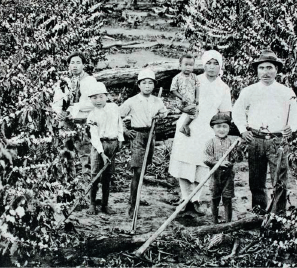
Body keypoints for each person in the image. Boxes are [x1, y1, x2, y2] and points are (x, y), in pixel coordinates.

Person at [233, 49, 297, 215]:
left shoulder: (286, 92)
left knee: (279, 179)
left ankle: (279, 215)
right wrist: (243, 130)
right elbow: (237, 112)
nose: (265, 72)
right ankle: (259, 212)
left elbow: (296, 114)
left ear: (276, 70)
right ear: (257, 70)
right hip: (255, 139)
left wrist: (290, 127)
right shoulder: (248, 91)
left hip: (277, 141)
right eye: (262, 68)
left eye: (269, 67)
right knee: (256, 180)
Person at [168, 50, 232, 215]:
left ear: (220, 66)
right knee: (184, 160)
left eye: (215, 63)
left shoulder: (224, 88)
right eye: (208, 63)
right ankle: (184, 197)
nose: (211, 67)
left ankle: (195, 199)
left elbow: (225, 113)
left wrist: (221, 131)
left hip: (209, 128)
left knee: (203, 163)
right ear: (203, 64)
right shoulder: (194, 80)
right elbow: (180, 99)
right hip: (189, 124)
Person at [120, 69, 169, 218]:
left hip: (151, 135)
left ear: (154, 85)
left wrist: (161, 115)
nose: (147, 86)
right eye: (144, 83)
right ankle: (133, 205)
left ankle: (134, 199)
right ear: (139, 85)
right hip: (137, 136)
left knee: (144, 169)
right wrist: (125, 131)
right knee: (138, 172)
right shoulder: (132, 101)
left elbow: (164, 112)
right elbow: (117, 116)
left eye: (150, 83)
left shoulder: (157, 100)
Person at [52, 52, 98, 174]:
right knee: (66, 154)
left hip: (83, 122)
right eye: (72, 63)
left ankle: (87, 185)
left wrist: (72, 109)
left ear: (83, 65)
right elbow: (57, 101)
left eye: (78, 63)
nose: (75, 66)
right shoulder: (64, 82)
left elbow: (92, 103)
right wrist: (60, 112)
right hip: (67, 123)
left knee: (85, 156)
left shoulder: (90, 81)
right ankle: (68, 184)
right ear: (68, 65)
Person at [86, 82, 124, 215]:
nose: (98, 100)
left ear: (106, 96)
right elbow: (94, 136)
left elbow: (119, 123)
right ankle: (92, 204)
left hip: (112, 143)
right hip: (98, 147)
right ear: (90, 99)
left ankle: (104, 204)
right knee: (95, 176)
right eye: (94, 98)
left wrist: (120, 140)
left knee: (107, 176)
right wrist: (101, 153)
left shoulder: (113, 108)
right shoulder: (91, 115)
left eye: (101, 97)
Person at [203, 113, 241, 224]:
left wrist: (238, 149)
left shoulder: (232, 143)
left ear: (229, 128)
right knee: (214, 198)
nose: (222, 130)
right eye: (218, 127)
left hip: (228, 176)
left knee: (227, 198)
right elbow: (206, 158)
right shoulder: (210, 143)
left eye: (225, 126)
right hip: (215, 175)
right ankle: (214, 221)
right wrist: (218, 163)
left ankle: (228, 222)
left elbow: (238, 159)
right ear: (213, 128)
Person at [170, 53, 200, 137]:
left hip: (191, 101)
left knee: (196, 110)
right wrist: (181, 97)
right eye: (186, 65)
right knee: (194, 111)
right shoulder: (177, 77)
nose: (188, 67)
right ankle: (184, 126)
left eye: (191, 65)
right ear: (180, 65)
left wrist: (197, 98)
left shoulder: (194, 76)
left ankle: (185, 126)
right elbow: (173, 90)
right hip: (182, 103)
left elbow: (197, 87)